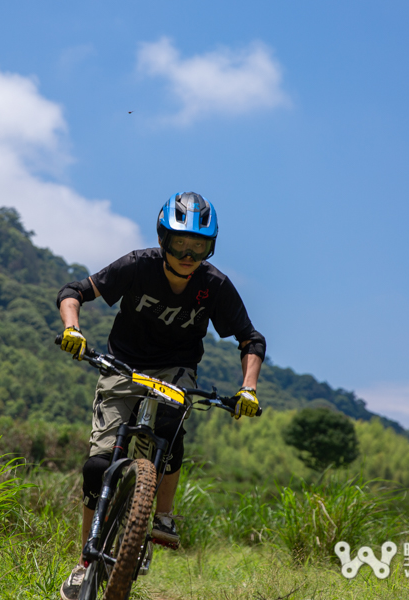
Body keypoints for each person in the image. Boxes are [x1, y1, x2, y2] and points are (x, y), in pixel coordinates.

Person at [56, 192, 266, 600]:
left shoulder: (214, 286)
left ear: (211, 246)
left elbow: (250, 339)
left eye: (199, 246)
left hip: (175, 371)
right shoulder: (137, 266)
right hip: (122, 363)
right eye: (179, 244)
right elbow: (74, 290)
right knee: (98, 466)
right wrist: (73, 329)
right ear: (163, 240)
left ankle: (163, 516)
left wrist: (248, 388)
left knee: (172, 432)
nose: (188, 255)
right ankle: (84, 565)